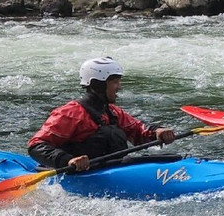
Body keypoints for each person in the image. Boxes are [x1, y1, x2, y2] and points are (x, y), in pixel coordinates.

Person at [28, 57, 175, 172]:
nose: (119, 87)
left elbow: (137, 130)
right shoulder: (71, 113)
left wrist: (158, 132)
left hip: (113, 169)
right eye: (115, 82)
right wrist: (68, 160)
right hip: (82, 173)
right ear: (98, 85)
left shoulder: (112, 112)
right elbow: (36, 146)